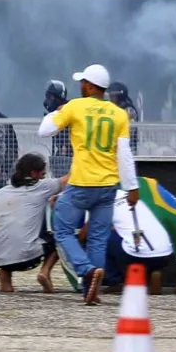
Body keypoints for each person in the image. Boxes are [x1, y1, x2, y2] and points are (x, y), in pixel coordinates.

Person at [38, 64, 139, 305]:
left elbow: (45, 131)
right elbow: (124, 155)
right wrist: (133, 187)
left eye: (82, 82)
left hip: (82, 183)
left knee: (62, 230)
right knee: (98, 238)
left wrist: (58, 111)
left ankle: (85, 270)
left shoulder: (75, 106)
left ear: (91, 85)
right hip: (108, 186)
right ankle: (91, 291)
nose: (80, 85)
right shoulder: (119, 114)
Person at [0, 153, 67, 293]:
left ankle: (5, 279)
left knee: (10, 231)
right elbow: (70, 179)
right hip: (27, 258)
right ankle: (45, 272)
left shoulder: (2, 192)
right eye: (43, 173)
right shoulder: (41, 187)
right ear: (34, 173)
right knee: (61, 237)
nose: (44, 176)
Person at [101, 190, 174, 295]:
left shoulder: (103, 201)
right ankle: (153, 272)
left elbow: (90, 230)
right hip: (165, 254)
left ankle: (115, 281)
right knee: (135, 239)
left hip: (136, 254)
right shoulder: (137, 197)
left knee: (101, 237)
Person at [107, 82, 140, 154]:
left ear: (119, 96)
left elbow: (129, 132)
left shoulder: (128, 110)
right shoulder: (112, 109)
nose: (110, 98)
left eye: (113, 96)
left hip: (127, 150)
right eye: (110, 96)